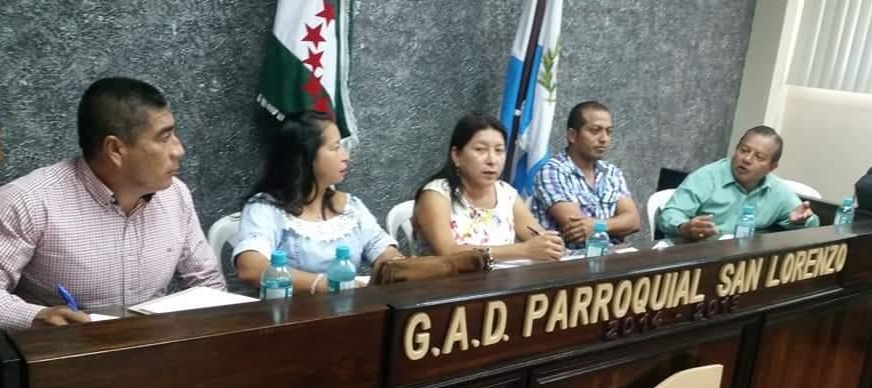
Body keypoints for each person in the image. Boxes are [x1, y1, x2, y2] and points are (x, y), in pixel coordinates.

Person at [0, 77, 225, 330]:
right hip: (62, 354)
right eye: (164, 137)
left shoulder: (175, 195)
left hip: (155, 348)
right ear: (115, 149)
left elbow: (207, 284)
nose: (179, 150)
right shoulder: (29, 200)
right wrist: (34, 316)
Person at [233, 110, 402, 293]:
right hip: (291, 308)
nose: (346, 156)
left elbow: (383, 249)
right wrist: (325, 285)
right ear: (306, 156)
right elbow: (250, 269)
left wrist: (391, 261)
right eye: (335, 148)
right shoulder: (265, 208)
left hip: (347, 306)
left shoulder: (351, 206)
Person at [413, 113, 564, 262]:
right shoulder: (436, 195)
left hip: (506, 277)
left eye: (499, 150)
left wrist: (551, 244)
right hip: (450, 278)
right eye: (480, 150)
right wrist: (524, 250)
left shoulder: (506, 193)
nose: (492, 160)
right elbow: (447, 251)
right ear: (457, 156)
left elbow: (539, 237)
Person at [657, 126, 819, 241]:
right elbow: (670, 214)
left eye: (759, 157)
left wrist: (802, 221)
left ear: (772, 167)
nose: (747, 159)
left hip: (744, 262)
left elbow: (809, 224)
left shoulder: (777, 190)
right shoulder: (707, 177)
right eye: (744, 150)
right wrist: (684, 227)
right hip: (699, 255)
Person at [530, 101, 640, 246]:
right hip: (571, 257)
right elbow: (578, 229)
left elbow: (633, 221)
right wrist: (616, 225)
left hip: (613, 254)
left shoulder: (611, 172)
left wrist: (597, 226)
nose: (604, 139)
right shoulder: (553, 171)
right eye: (595, 130)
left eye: (608, 131)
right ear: (572, 135)